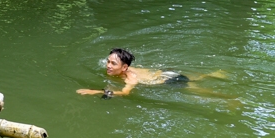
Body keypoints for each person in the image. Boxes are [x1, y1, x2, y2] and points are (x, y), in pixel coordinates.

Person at [76, 48, 221, 98]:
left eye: (113, 63)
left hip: (169, 80)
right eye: (108, 61)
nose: (108, 65)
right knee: (195, 79)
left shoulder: (130, 78)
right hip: (165, 73)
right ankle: (216, 74)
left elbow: (126, 93)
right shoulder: (128, 69)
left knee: (197, 92)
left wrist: (93, 91)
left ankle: (227, 98)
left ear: (124, 67)